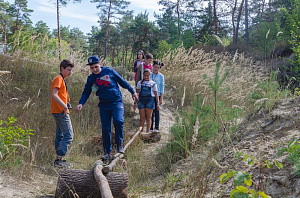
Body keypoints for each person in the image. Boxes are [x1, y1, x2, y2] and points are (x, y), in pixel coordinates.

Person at [75, 55, 138, 160]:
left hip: (116, 102)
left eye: (96, 67)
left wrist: (132, 91)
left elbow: (122, 82)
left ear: (100, 64)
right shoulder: (91, 79)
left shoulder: (109, 71)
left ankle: (119, 144)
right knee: (106, 128)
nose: (94, 69)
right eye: (92, 68)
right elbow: (87, 92)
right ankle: (107, 152)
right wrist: (81, 103)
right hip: (104, 105)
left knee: (118, 121)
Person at [51, 59, 74, 168]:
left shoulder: (61, 79)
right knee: (69, 135)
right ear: (62, 69)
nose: (70, 72)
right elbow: (54, 94)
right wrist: (64, 106)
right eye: (68, 70)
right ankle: (59, 158)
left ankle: (59, 159)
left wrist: (67, 102)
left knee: (60, 135)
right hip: (60, 111)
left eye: (71, 70)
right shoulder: (58, 79)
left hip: (59, 110)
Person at [136, 69, 160, 133]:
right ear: (143, 75)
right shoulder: (139, 83)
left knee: (149, 118)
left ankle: (147, 133)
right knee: (142, 118)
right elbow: (137, 93)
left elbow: (156, 94)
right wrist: (135, 102)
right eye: (145, 76)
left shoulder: (153, 84)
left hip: (150, 101)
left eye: (147, 76)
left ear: (150, 75)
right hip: (141, 101)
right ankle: (140, 133)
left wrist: (157, 103)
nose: (146, 77)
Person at [150, 61, 164, 132]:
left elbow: (162, 87)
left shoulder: (161, 76)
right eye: (155, 67)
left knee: (157, 111)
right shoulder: (149, 74)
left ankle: (157, 127)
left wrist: (161, 98)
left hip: (157, 95)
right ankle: (150, 127)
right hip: (150, 95)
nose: (156, 69)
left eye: (158, 68)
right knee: (151, 112)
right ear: (153, 66)